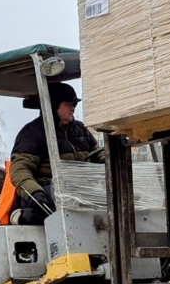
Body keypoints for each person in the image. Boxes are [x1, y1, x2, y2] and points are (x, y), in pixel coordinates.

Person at [9, 82, 105, 223]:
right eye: (68, 104)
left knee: (112, 199)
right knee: (56, 199)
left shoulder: (80, 130)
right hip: (48, 189)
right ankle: (22, 215)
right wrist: (35, 192)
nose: (72, 108)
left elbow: (98, 154)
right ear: (53, 106)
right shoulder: (32, 133)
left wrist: (113, 164)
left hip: (79, 188)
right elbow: (20, 170)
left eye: (74, 104)